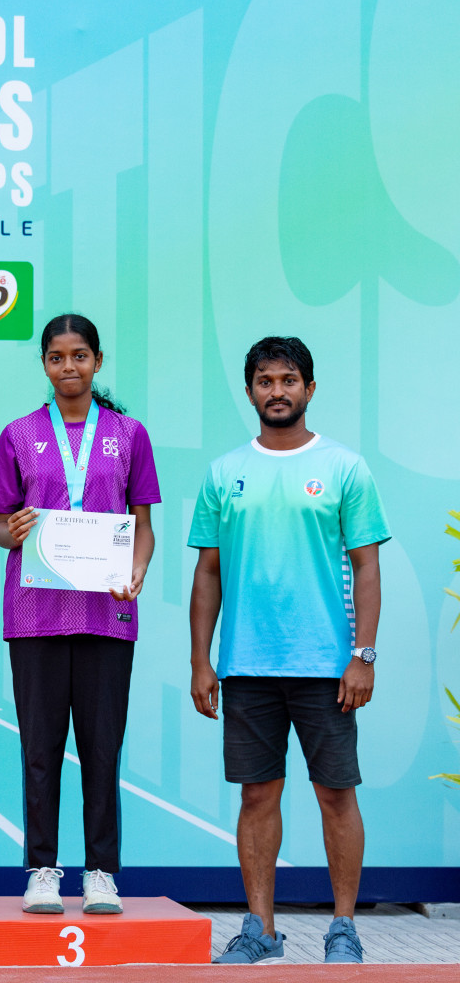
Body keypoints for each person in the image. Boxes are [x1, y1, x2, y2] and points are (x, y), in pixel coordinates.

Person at [189, 336, 386, 965]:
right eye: (266, 380)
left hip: (328, 667)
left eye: (289, 379)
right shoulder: (224, 472)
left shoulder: (345, 467)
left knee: (336, 795)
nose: (278, 391)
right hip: (247, 665)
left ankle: (344, 929)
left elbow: (367, 565)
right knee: (256, 797)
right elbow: (208, 574)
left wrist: (364, 655)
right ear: (249, 390)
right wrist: (202, 660)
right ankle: (261, 931)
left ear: (310, 388)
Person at [0, 313, 159, 915]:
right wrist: (13, 530)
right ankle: (40, 870)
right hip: (34, 615)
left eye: (80, 355)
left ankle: (101, 873)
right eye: (57, 357)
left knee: (102, 751)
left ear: (98, 361)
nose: (69, 366)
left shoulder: (129, 434)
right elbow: (0, 527)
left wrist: (136, 573)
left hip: (107, 616)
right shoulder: (18, 434)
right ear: (45, 365)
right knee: (39, 749)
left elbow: (143, 526)